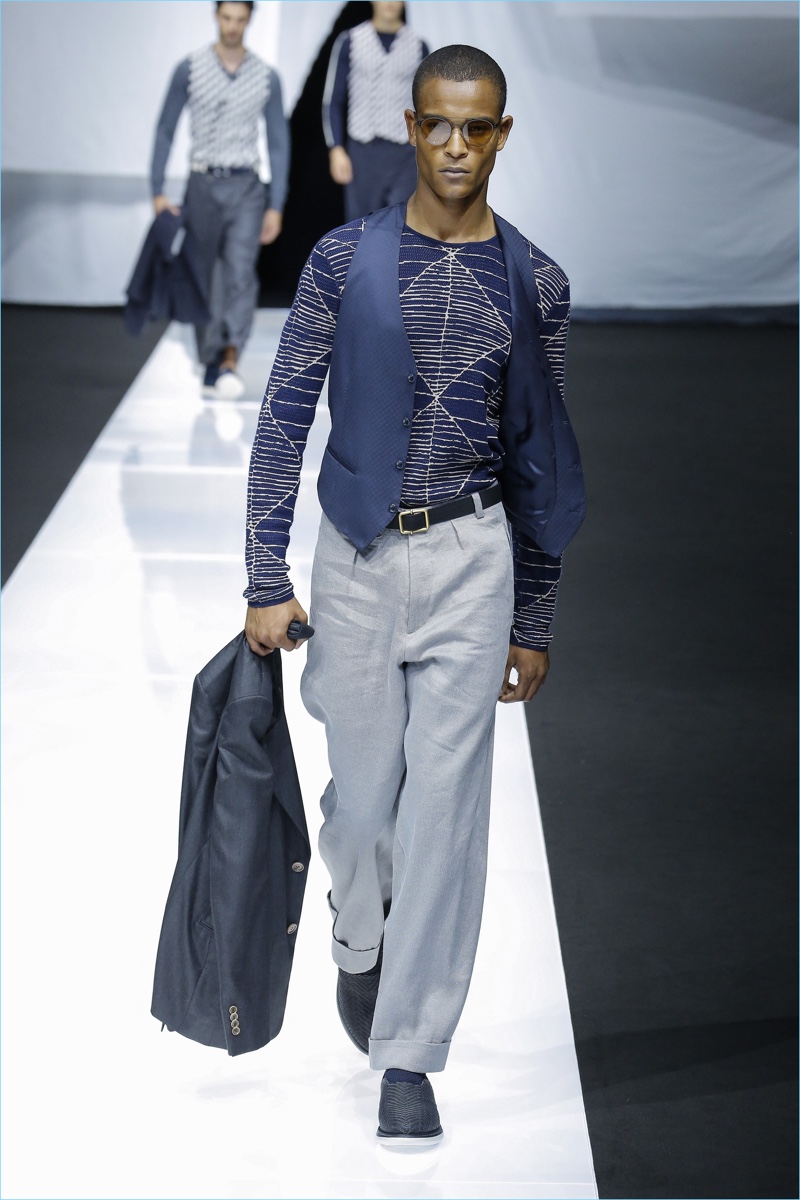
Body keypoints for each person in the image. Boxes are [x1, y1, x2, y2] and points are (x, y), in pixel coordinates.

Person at [244, 45, 585, 1144]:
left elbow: (540, 459)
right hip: (353, 561)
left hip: (472, 559)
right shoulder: (342, 260)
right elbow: (284, 415)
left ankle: (409, 1051)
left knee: (446, 816)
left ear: (501, 134)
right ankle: (360, 938)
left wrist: (533, 615)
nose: (453, 145)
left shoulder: (536, 282)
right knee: (361, 807)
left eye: (475, 128)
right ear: (411, 124)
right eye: (436, 123)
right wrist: (264, 574)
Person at [150, 0, 289, 399]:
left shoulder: (266, 77)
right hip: (202, 183)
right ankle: (211, 356)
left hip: (247, 185)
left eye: (240, 19)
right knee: (204, 272)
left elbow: (278, 143)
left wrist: (276, 203)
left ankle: (230, 355)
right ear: (216, 16)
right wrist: (157, 189)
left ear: (249, 20)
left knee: (241, 272)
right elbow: (165, 128)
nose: (232, 26)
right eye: (227, 17)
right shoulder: (190, 68)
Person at [323, 2, 428, 222]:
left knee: (402, 225)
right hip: (363, 153)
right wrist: (336, 149)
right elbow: (333, 99)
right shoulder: (350, 41)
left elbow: (428, 105)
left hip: (405, 155)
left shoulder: (419, 46)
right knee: (362, 227)